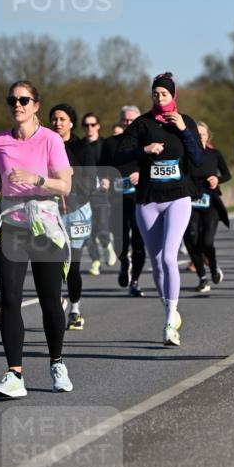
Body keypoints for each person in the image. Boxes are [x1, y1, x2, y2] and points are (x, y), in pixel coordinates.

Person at [0, 81, 73, 398]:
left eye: (24, 99)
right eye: (12, 100)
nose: (17, 104)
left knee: (49, 299)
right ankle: (14, 375)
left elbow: (65, 186)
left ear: (35, 105)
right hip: (12, 224)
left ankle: (57, 363)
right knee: (10, 296)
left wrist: (36, 179)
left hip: (44, 224)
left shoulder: (50, 140)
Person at [117, 72, 203, 345]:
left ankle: (170, 323)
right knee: (155, 262)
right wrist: (145, 150)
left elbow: (198, 159)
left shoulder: (184, 121)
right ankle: (168, 310)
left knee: (168, 257)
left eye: (164, 93)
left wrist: (183, 130)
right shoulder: (142, 124)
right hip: (148, 199)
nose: (159, 97)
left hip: (178, 196)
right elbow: (119, 154)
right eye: (155, 93)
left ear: (173, 95)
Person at [49, 103, 96, 330]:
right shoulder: (45, 144)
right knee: (55, 262)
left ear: (70, 123)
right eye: (54, 119)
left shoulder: (81, 146)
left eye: (62, 119)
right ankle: (57, 302)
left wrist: (61, 150)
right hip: (52, 212)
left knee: (73, 265)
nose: (57, 123)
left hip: (77, 212)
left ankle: (75, 309)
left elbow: (89, 181)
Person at [99, 106, 146, 296]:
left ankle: (135, 280)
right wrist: (106, 179)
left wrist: (140, 173)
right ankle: (124, 262)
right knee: (120, 240)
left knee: (139, 242)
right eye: (125, 120)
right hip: (117, 200)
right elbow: (102, 167)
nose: (128, 123)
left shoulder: (146, 143)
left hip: (140, 199)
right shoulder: (111, 143)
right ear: (120, 121)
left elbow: (153, 165)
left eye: (132, 120)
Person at [183, 121, 231, 293]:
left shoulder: (214, 154)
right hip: (190, 202)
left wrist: (217, 179)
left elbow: (227, 174)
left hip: (210, 203)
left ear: (207, 136)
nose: (199, 137)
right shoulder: (185, 155)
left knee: (207, 242)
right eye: (196, 134)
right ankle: (202, 278)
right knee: (192, 238)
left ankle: (213, 266)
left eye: (202, 134)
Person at [81, 112, 117, 276]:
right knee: (88, 232)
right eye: (86, 125)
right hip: (83, 194)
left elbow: (113, 165)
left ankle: (108, 246)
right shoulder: (79, 146)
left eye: (92, 124)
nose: (90, 128)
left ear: (98, 126)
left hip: (102, 194)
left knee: (102, 227)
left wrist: (108, 179)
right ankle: (95, 261)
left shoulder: (106, 144)